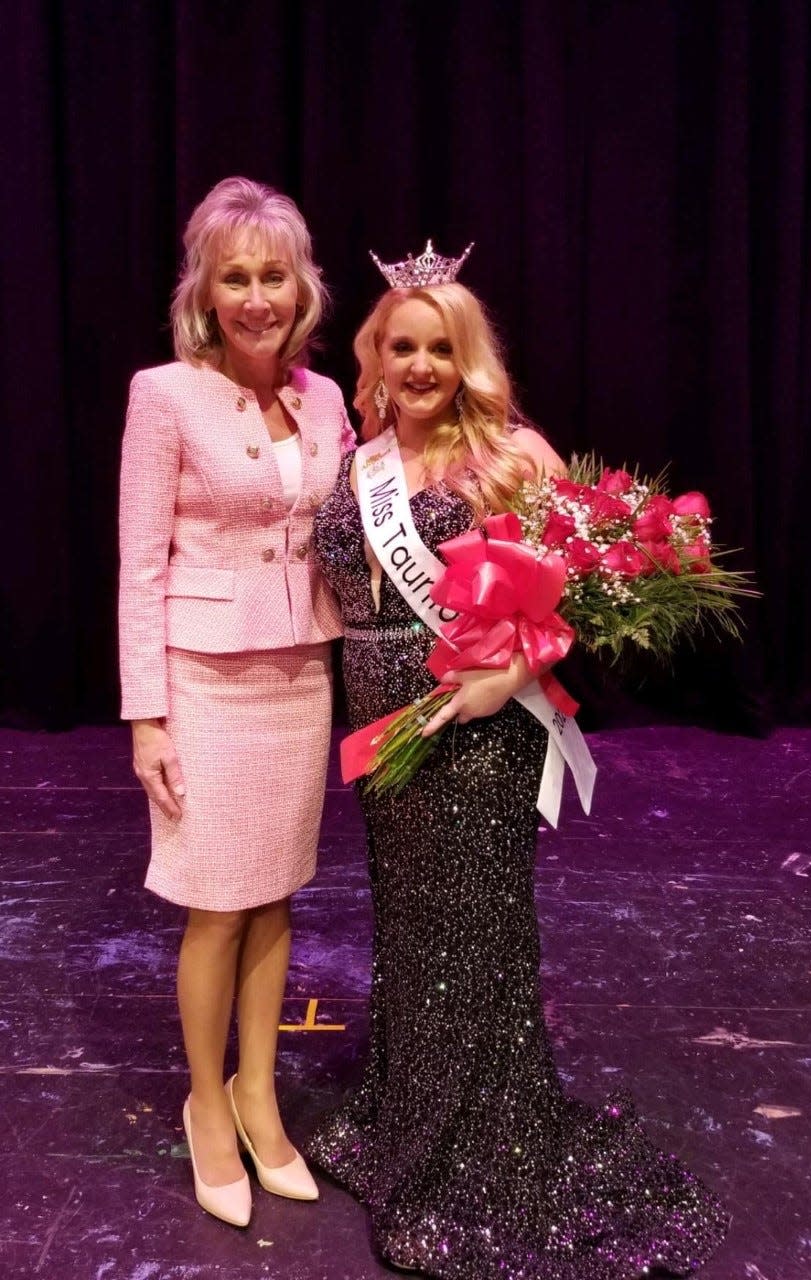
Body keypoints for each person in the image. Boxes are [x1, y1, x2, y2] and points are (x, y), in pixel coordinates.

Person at [308, 243, 729, 1276]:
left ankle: (479, 1146)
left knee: (477, 930)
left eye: (438, 349)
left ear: (465, 359)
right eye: (400, 345)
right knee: (408, 922)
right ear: (376, 354)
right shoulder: (358, 458)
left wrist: (508, 676)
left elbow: (570, 598)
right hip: (376, 710)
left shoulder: (510, 453)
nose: (418, 366)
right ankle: (410, 1116)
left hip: (475, 723)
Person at [118, 176, 355, 1227]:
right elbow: (138, 566)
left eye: (273, 274)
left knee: (275, 894)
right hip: (205, 680)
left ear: (299, 285)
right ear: (205, 291)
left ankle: (260, 1092)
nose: (256, 295)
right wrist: (146, 715)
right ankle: (206, 1101)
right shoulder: (162, 392)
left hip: (301, 671)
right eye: (235, 277)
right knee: (217, 903)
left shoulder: (327, 398)